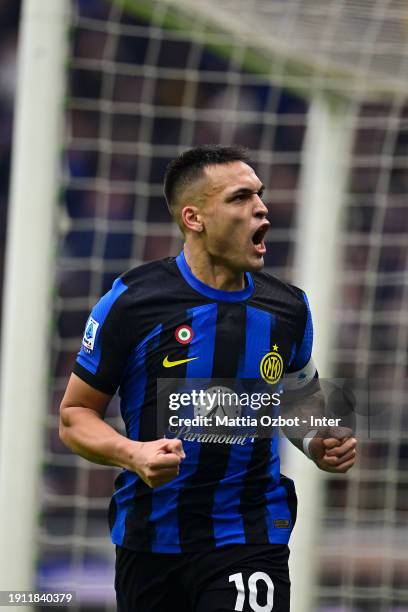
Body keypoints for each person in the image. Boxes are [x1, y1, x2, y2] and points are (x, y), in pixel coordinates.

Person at [59, 145, 357, 612]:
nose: (261, 208)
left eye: (259, 194)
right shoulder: (133, 302)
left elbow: (300, 397)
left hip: (250, 534)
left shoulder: (288, 308)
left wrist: (316, 438)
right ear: (194, 218)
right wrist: (134, 453)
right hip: (150, 539)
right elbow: (75, 416)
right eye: (240, 198)